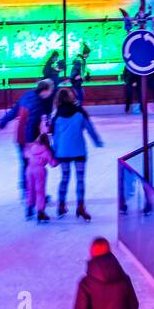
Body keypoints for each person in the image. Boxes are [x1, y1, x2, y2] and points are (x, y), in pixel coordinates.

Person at [65, 237, 140, 309]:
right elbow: (133, 307)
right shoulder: (124, 279)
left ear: (92, 254)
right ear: (109, 252)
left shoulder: (86, 284)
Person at [0, 79, 56, 215]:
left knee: (26, 166)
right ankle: (31, 194)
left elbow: (15, 110)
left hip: (20, 137)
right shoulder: (37, 103)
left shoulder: (27, 94)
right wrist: (32, 144)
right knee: (33, 167)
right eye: (50, 90)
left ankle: (26, 193)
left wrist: (4, 120)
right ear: (45, 90)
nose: (51, 93)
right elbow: (31, 124)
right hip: (28, 140)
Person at [48, 87, 103, 221]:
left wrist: (55, 151)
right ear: (72, 98)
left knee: (65, 178)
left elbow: (54, 135)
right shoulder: (80, 112)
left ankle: (61, 205)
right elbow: (90, 129)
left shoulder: (55, 116)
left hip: (63, 152)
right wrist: (97, 141)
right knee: (80, 179)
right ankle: (80, 207)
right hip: (79, 150)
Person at [25, 124, 58, 223]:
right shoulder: (46, 151)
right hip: (40, 171)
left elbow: (25, 154)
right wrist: (60, 159)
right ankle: (40, 212)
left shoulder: (31, 148)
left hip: (29, 170)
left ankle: (29, 209)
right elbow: (53, 163)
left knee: (30, 189)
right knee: (40, 191)